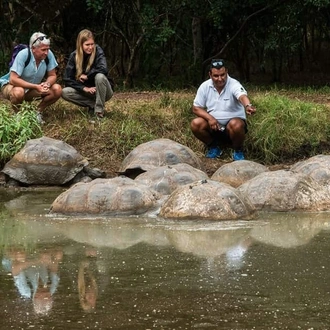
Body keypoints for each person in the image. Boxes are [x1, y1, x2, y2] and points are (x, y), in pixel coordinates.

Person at [191, 59, 256, 160]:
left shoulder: (234, 84)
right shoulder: (204, 86)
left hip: (233, 128)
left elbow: (242, 96)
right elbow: (196, 108)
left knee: (236, 124)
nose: (220, 79)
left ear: (227, 72)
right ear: (210, 74)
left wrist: (247, 105)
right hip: (214, 127)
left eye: (222, 75)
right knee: (196, 123)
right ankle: (214, 147)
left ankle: (238, 150)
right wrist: (210, 118)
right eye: (216, 76)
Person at [0, 32, 62, 123]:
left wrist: (47, 83)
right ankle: (17, 116)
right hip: (11, 86)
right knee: (18, 91)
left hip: (32, 88)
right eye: (43, 50)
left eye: (47, 49)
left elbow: (52, 75)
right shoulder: (23, 55)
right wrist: (36, 86)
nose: (46, 52)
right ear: (33, 48)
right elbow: (13, 79)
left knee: (57, 89)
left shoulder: (48, 55)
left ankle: (37, 112)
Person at [62, 29, 113, 119]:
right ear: (80, 45)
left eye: (92, 44)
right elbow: (67, 79)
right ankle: (93, 105)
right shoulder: (74, 56)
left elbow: (103, 69)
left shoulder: (98, 51)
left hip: (103, 90)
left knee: (100, 76)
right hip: (87, 91)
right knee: (64, 92)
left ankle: (99, 112)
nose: (90, 47)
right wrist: (84, 88)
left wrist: (88, 76)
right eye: (87, 45)